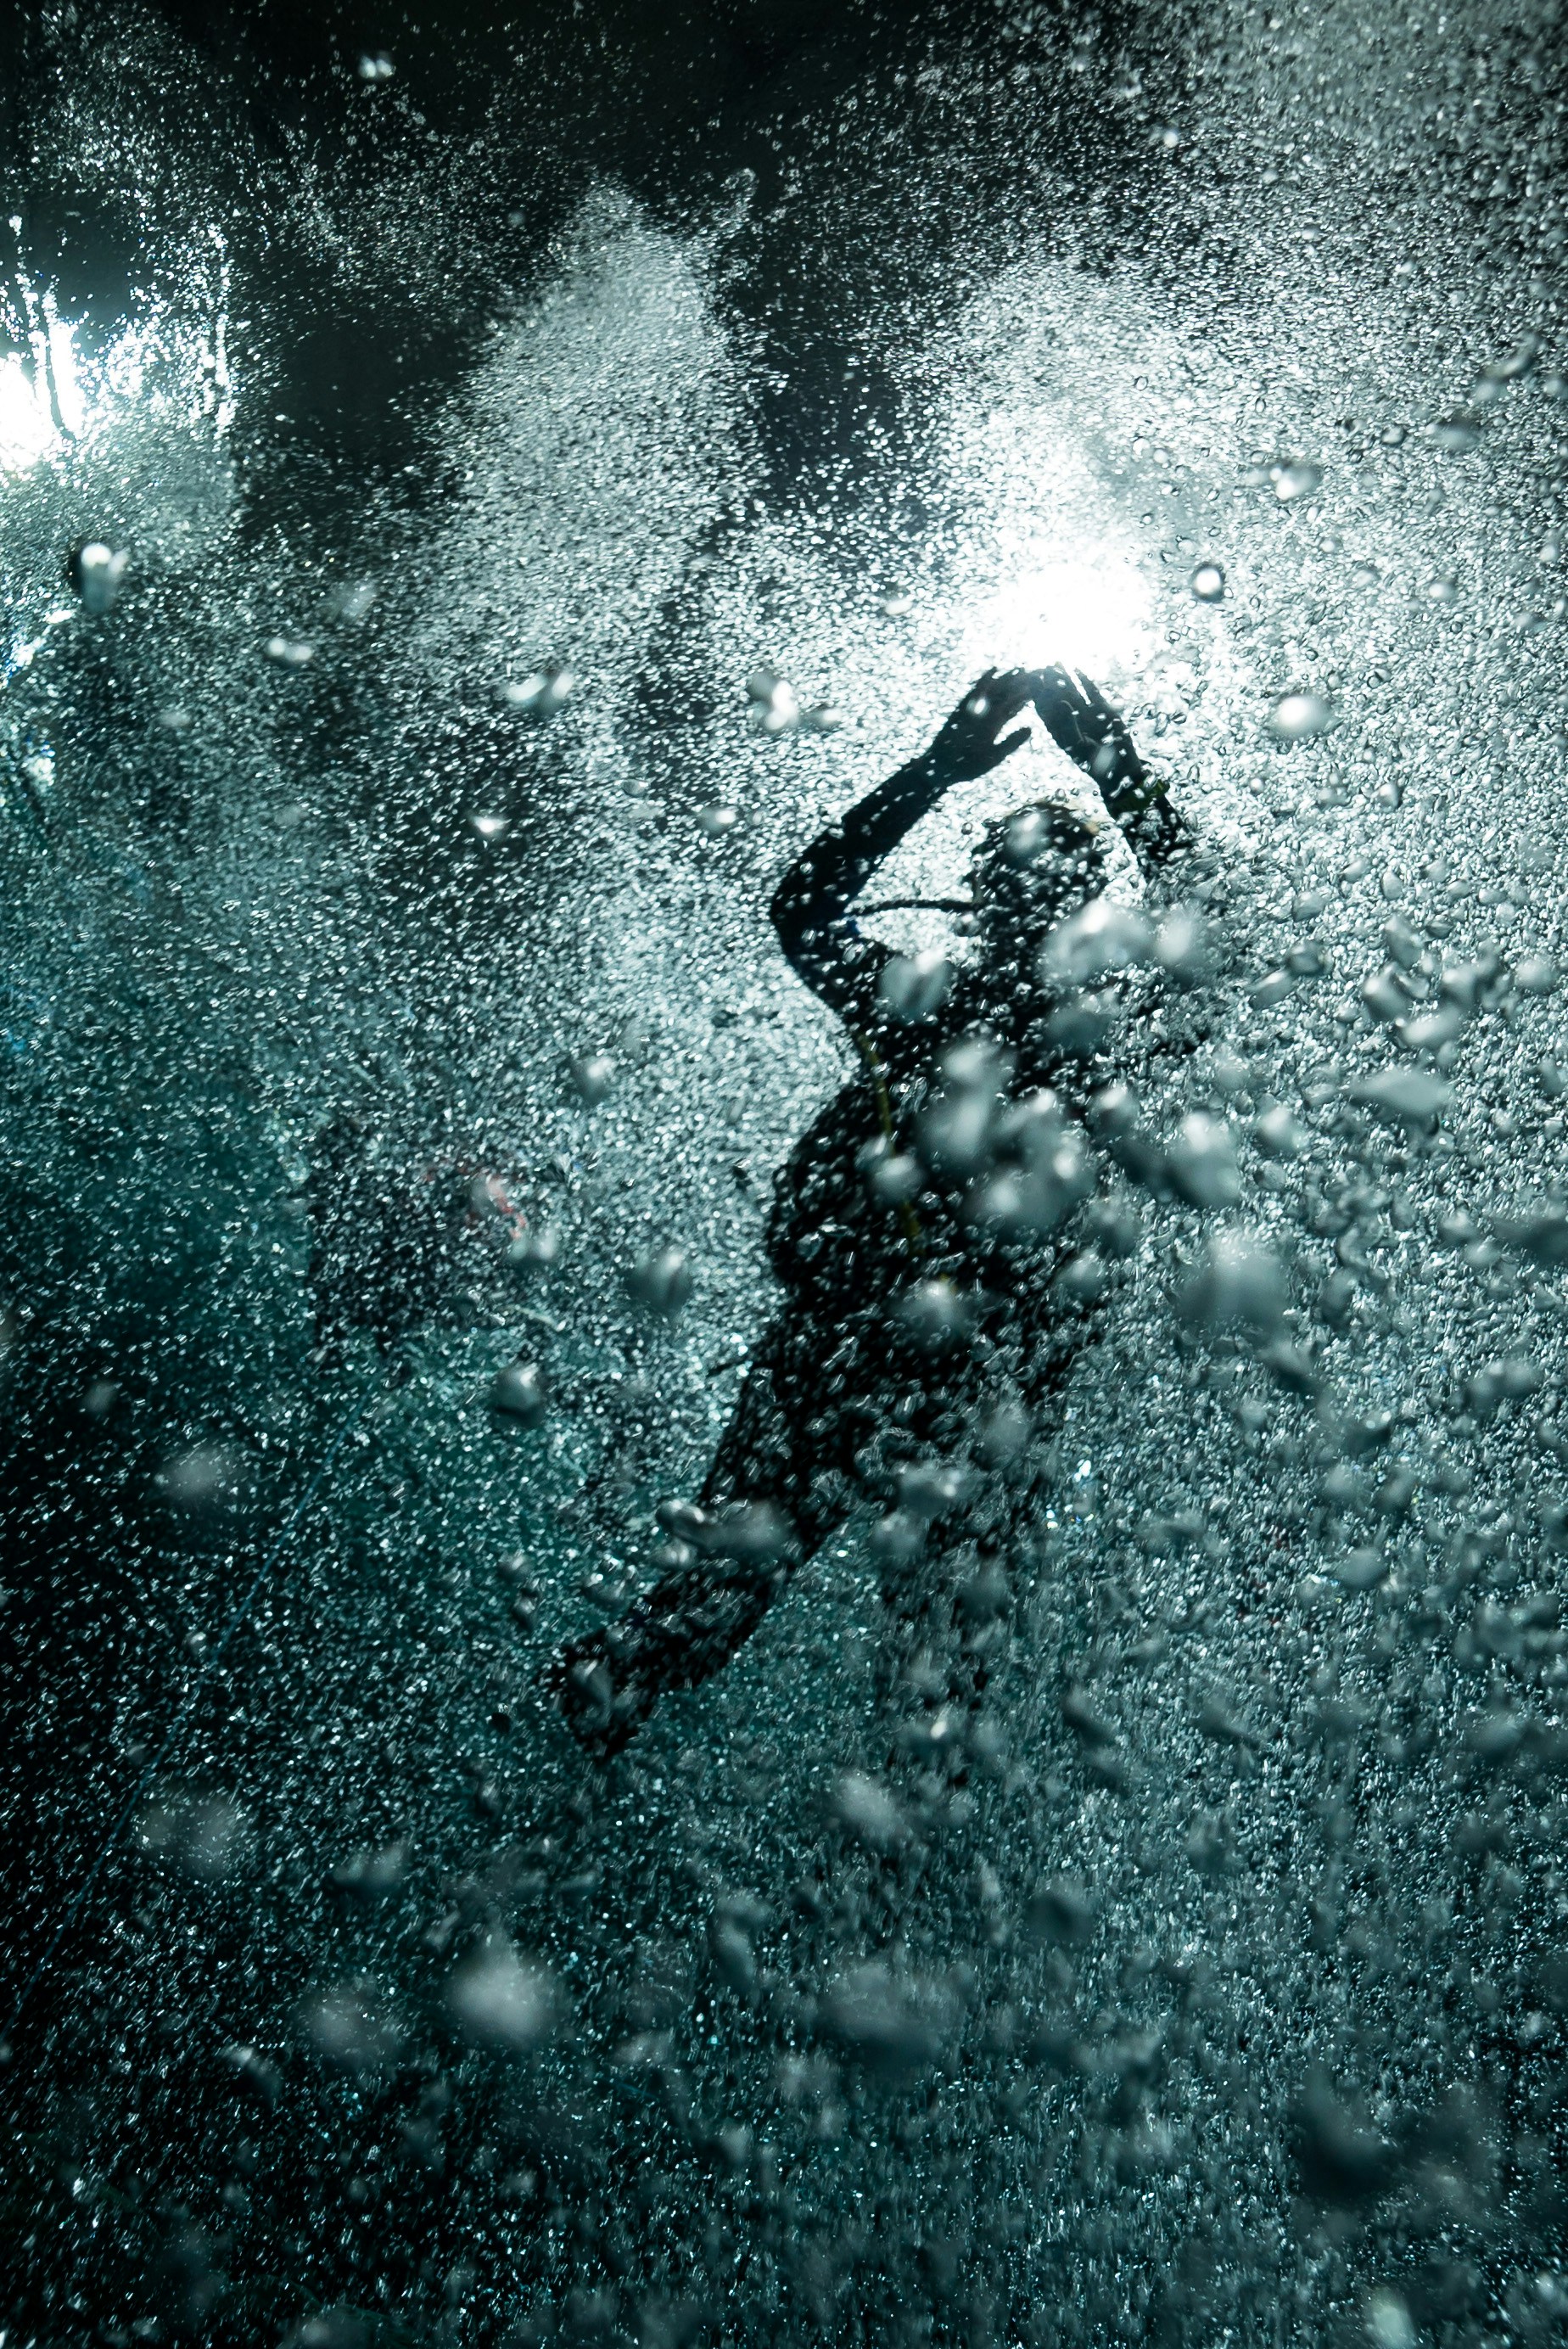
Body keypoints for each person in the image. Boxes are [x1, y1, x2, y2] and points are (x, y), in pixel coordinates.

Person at [548, 666, 1191, 1753]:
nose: (1029, 908)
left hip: (958, 1377)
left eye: (1046, 890)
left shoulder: (1066, 1033)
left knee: (927, 1678)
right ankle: (577, 1757)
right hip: (875, 1354)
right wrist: (993, 768)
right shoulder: (953, 1014)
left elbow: (1220, 941)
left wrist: (996, 769)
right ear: (990, 901)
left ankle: (887, 1828)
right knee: (718, 1624)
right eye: (1017, 883)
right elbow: (802, 913)